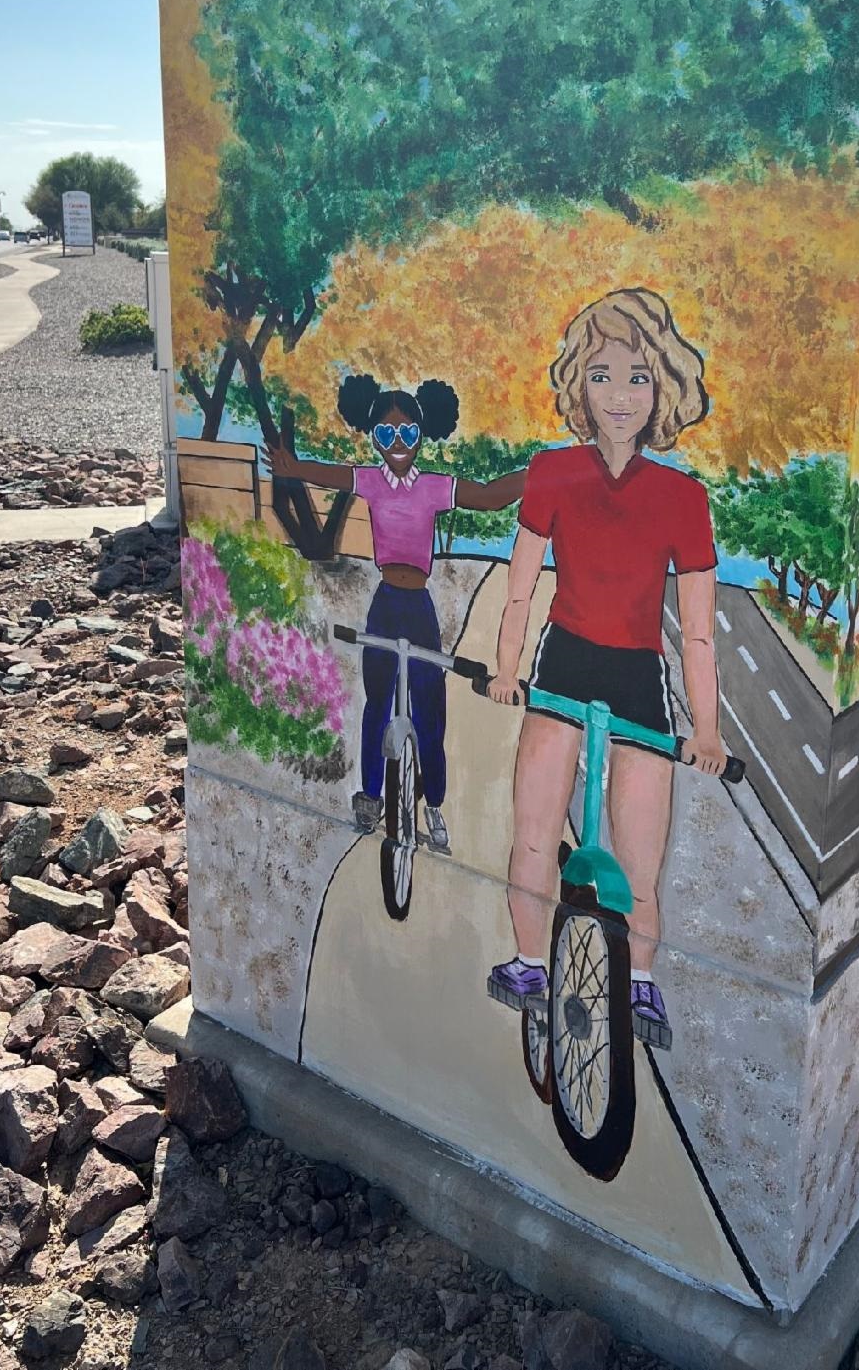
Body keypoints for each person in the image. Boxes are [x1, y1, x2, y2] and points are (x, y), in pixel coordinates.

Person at [486, 287, 727, 1042]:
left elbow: (695, 635)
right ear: (577, 386)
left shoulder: (683, 496)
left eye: (637, 376)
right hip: (563, 664)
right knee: (532, 834)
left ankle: (643, 983)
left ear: (663, 388)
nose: (619, 395)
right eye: (601, 374)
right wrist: (506, 668)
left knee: (640, 852)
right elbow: (521, 589)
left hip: (636, 677)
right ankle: (530, 960)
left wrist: (707, 730)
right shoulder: (551, 473)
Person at [268, 374, 525, 854]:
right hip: (385, 604)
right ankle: (370, 793)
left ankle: (435, 804)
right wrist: (293, 466)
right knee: (377, 700)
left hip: (419, 607)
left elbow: (490, 497)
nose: (398, 443)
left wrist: (540, 474)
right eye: (386, 435)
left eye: (408, 433)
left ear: (422, 435)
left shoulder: (432, 487)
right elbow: (333, 475)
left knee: (431, 708)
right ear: (375, 439)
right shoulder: (371, 481)